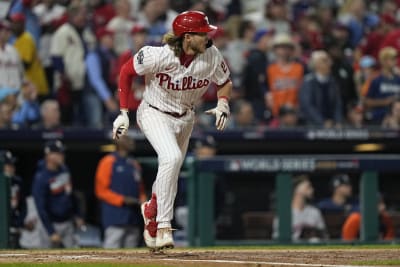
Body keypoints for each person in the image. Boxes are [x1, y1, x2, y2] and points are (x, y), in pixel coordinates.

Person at [112, 10, 232, 250]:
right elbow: (126, 72)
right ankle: (164, 225)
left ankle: (151, 208)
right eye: (202, 34)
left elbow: (225, 82)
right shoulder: (158, 55)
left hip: (186, 117)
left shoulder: (211, 54)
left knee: (172, 169)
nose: (208, 37)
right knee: (172, 157)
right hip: (154, 112)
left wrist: (223, 103)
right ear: (187, 37)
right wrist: (124, 112)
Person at [95, 135, 147, 248]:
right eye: (127, 139)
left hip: (133, 217)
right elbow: (101, 191)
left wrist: (143, 200)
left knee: (131, 257)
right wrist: (122, 200)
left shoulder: (134, 164)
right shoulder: (108, 161)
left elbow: (140, 189)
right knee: (111, 256)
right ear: (118, 142)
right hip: (115, 217)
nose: (131, 141)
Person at [32, 140, 85, 248]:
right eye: (58, 153)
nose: (62, 156)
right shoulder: (41, 177)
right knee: (46, 260)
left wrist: (77, 215)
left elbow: (71, 195)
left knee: (74, 258)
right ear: (49, 155)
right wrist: (51, 231)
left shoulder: (65, 170)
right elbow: (41, 207)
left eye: (62, 153)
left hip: (67, 222)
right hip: (50, 223)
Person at [272, 175, 327, 241]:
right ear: (296, 189)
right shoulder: (284, 212)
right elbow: (276, 238)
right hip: (291, 249)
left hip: (311, 249)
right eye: (308, 187)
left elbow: (324, 236)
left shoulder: (314, 212)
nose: (312, 189)